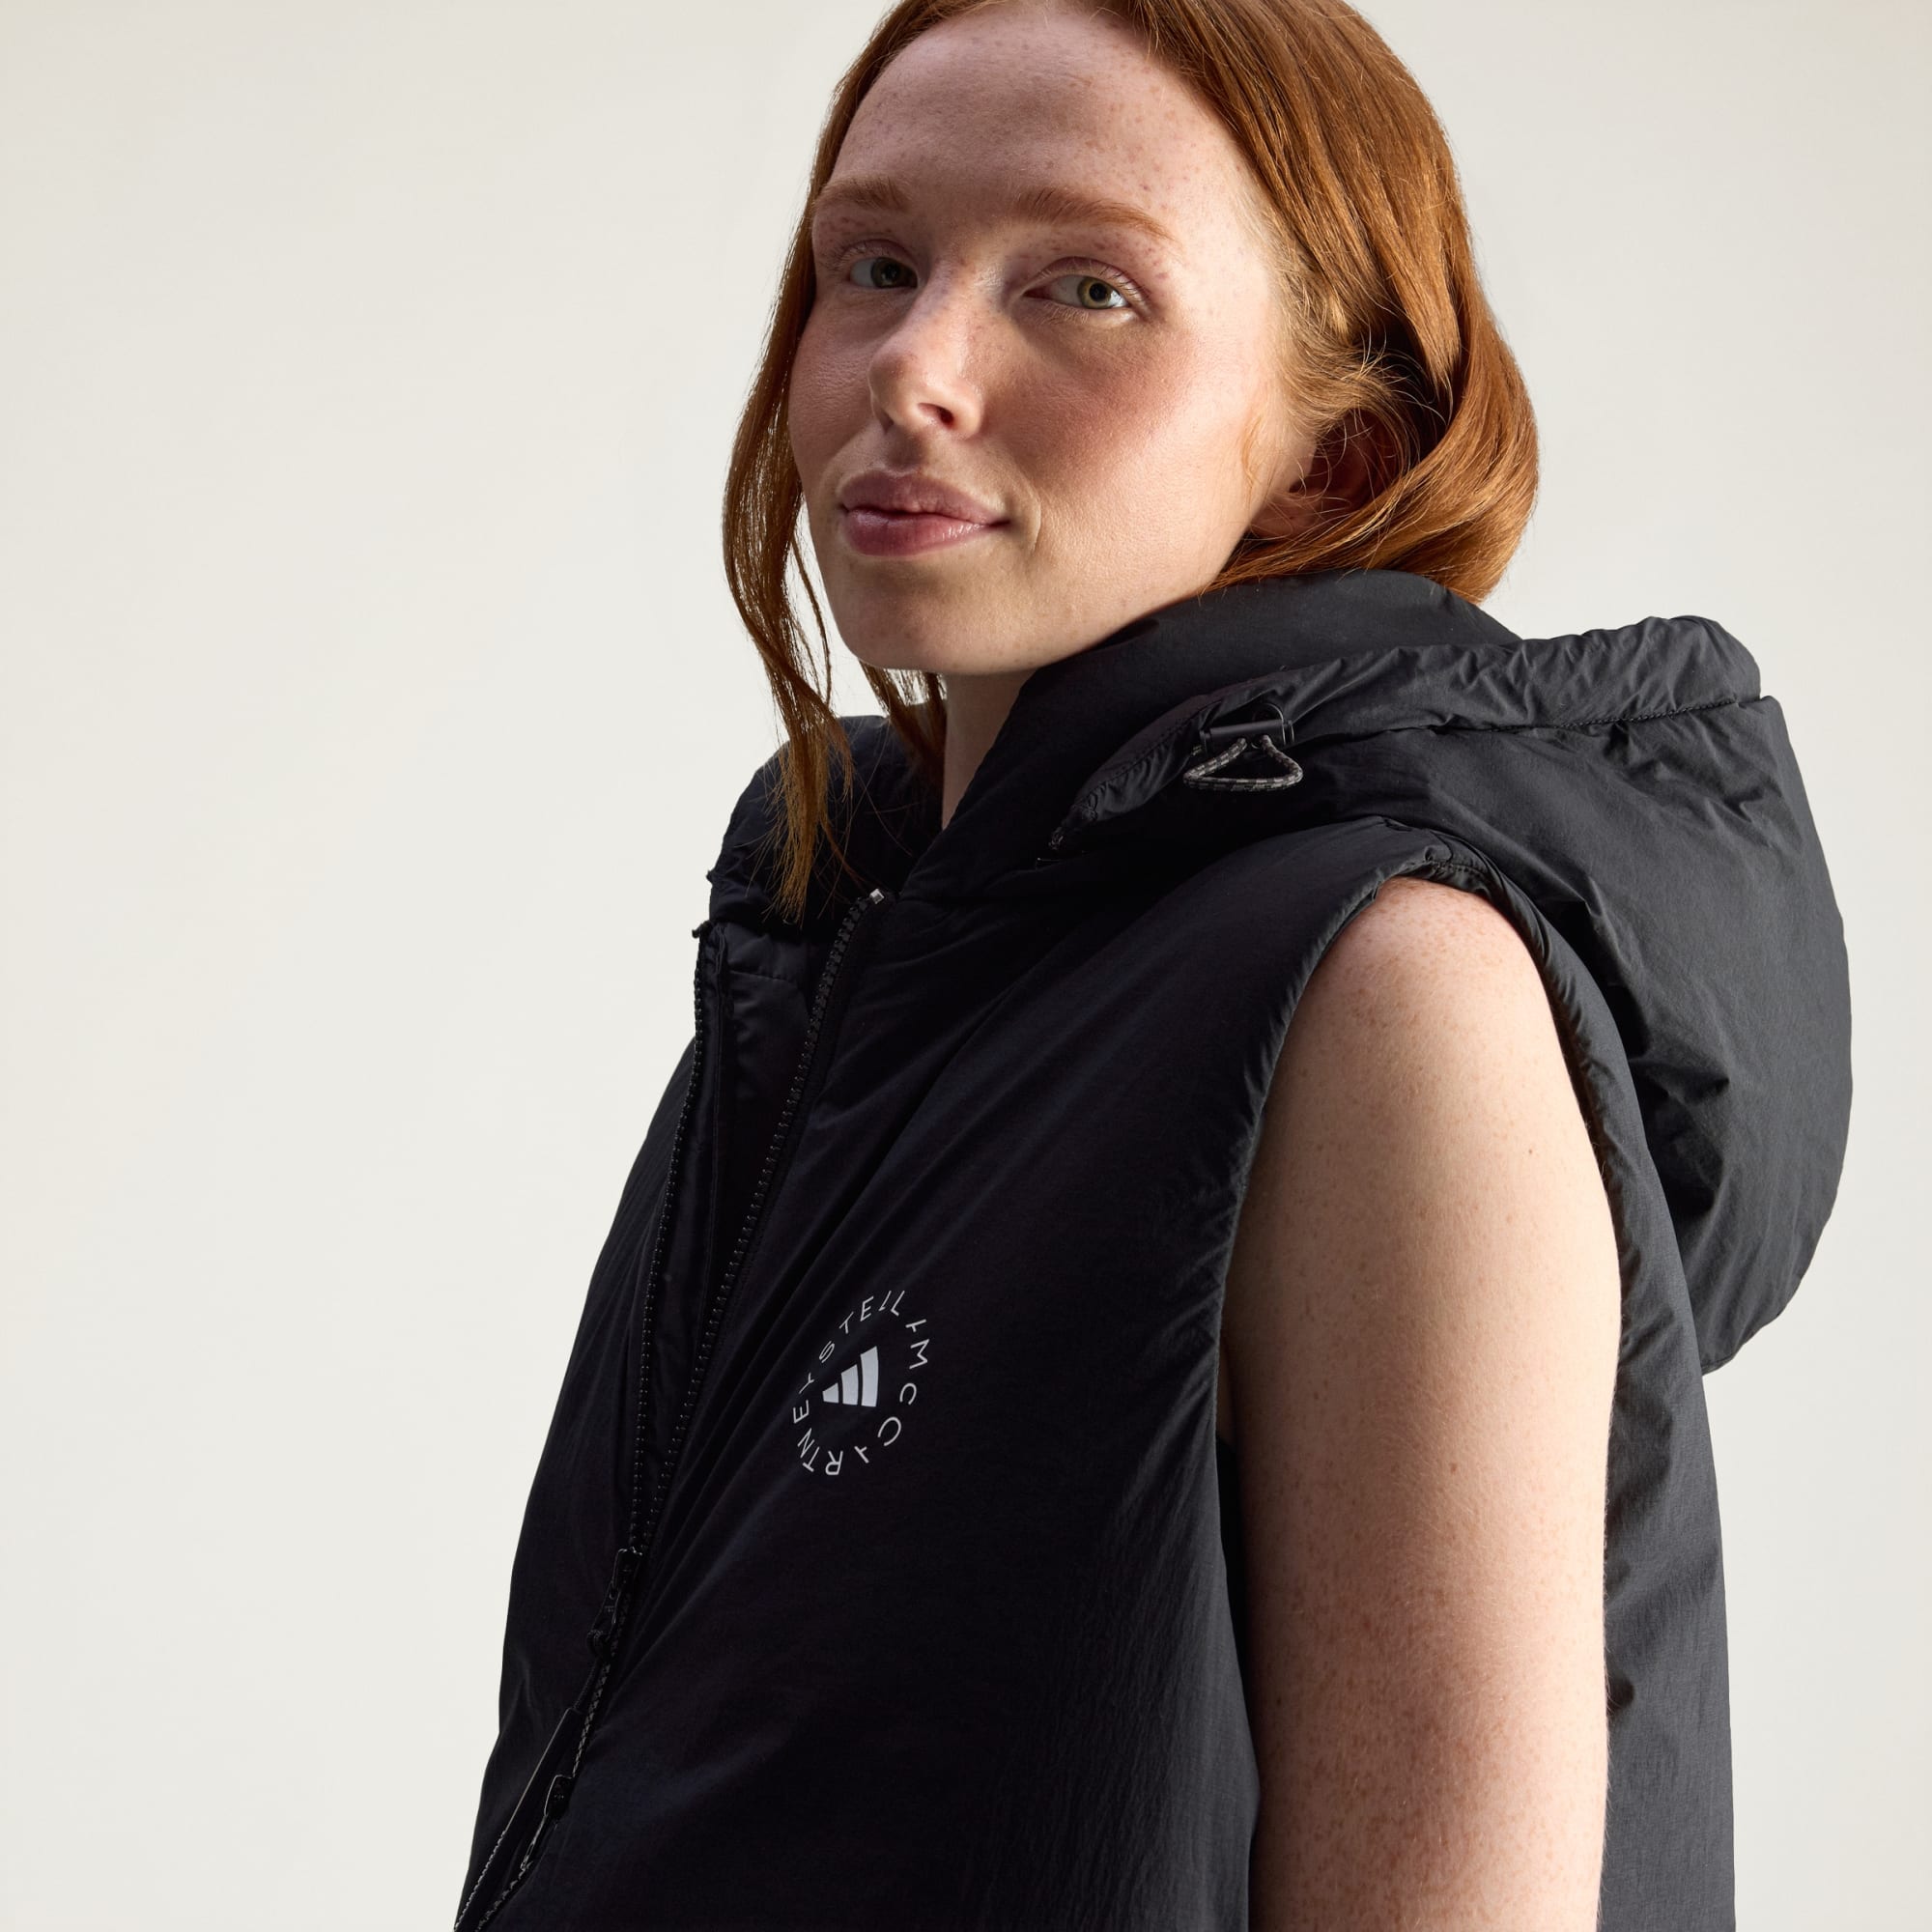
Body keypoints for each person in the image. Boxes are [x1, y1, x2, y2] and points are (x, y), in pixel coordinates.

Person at [453, 3, 1852, 1928]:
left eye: (1086, 290)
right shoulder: (835, 950)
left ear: (1329, 456)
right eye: (873, 265)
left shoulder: (1385, 988)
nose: (914, 368)